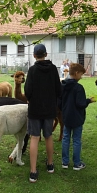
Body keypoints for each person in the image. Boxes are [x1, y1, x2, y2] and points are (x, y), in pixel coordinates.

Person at [24, 44, 61, 183]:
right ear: (46, 54)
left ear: (34, 55)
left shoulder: (32, 70)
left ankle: (33, 172)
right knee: (48, 136)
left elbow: (27, 91)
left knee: (34, 138)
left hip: (35, 109)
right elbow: (59, 90)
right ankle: (50, 165)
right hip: (49, 110)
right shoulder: (53, 69)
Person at [59, 63, 94, 170]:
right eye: (81, 74)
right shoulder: (79, 88)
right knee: (76, 140)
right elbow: (81, 103)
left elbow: (59, 102)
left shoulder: (62, 85)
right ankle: (77, 163)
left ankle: (65, 162)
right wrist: (89, 100)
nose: (81, 77)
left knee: (65, 138)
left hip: (66, 117)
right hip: (77, 118)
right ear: (77, 73)